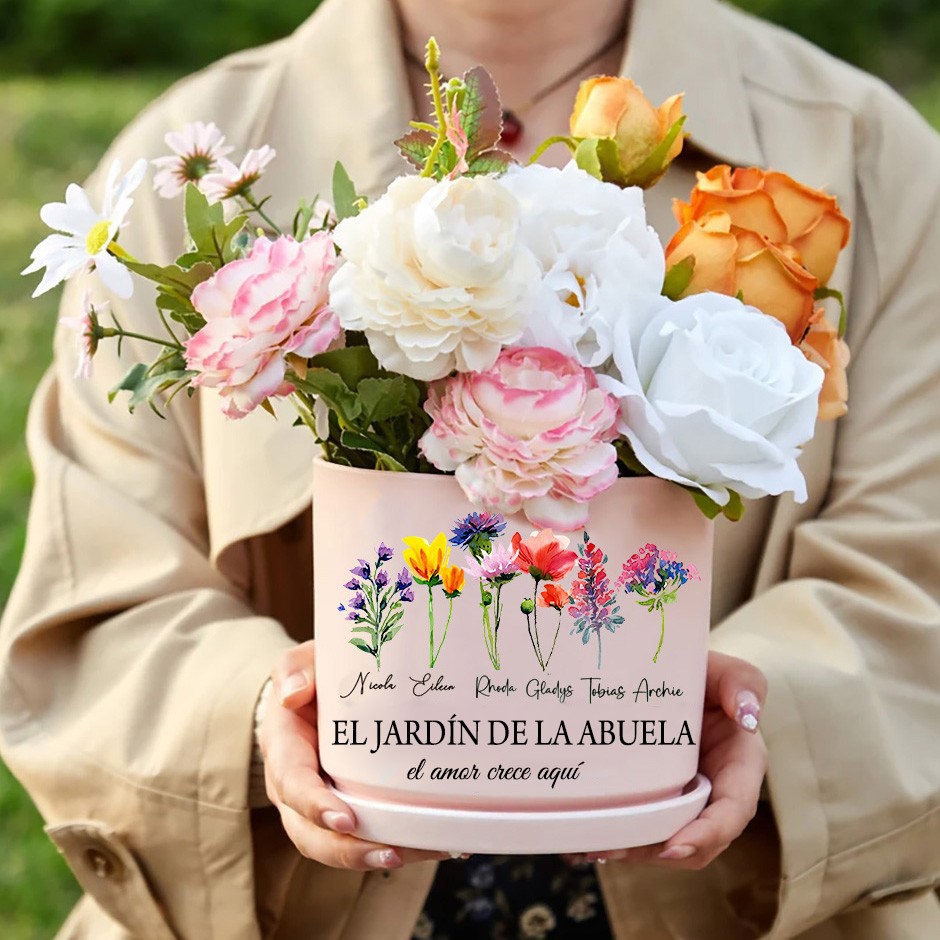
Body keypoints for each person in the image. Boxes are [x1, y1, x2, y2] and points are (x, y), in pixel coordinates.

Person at [2, 0, 938, 937]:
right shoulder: (180, 172)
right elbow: (101, 602)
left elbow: (914, 578)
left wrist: (756, 713)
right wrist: (258, 715)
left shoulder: (868, 155)